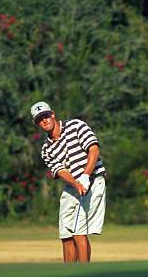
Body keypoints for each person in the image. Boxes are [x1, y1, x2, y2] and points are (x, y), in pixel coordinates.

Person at [31, 101, 106, 263]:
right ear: (36, 123)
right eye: (39, 119)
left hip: (93, 180)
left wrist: (85, 176)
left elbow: (93, 149)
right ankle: (68, 276)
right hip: (72, 187)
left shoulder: (76, 126)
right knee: (66, 234)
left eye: (46, 115)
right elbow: (60, 171)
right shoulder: (46, 149)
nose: (44, 120)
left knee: (79, 232)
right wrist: (76, 183)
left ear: (53, 114)